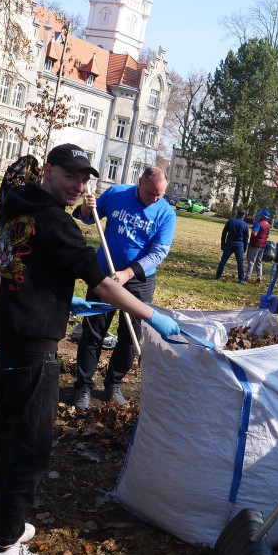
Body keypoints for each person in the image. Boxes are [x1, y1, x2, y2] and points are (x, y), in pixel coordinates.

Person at [0, 143, 180, 555]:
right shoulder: (55, 221)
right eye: (70, 176)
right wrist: (153, 315)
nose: (79, 186)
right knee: (31, 448)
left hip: (13, 334)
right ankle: (3, 546)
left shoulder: (19, 207)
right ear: (48, 172)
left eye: (85, 178)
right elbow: (103, 284)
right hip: (35, 346)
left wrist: (57, 298)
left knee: (4, 434)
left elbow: (26, 267)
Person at [72, 165, 176, 411]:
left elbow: (159, 251)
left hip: (139, 279)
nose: (155, 199)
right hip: (104, 274)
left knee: (130, 336)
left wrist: (129, 273)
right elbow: (87, 218)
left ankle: (114, 384)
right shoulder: (116, 193)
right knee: (93, 332)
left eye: (160, 194)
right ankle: (84, 386)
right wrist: (88, 206)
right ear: (139, 182)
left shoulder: (166, 213)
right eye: (151, 193)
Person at [215, 207, 249, 283]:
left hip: (229, 243)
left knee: (223, 261)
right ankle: (241, 279)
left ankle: (218, 275)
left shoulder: (231, 221)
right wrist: (245, 248)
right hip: (239, 245)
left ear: (237, 213)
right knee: (240, 263)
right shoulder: (245, 225)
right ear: (244, 216)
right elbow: (246, 238)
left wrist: (223, 243)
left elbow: (224, 233)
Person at [245, 210, 272, 283]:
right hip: (262, 246)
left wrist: (253, 232)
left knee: (251, 261)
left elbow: (255, 234)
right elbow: (268, 235)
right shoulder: (268, 225)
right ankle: (259, 277)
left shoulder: (259, 224)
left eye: (260, 215)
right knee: (259, 262)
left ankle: (247, 277)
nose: (259, 216)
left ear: (262, 216)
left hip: (255, 244)